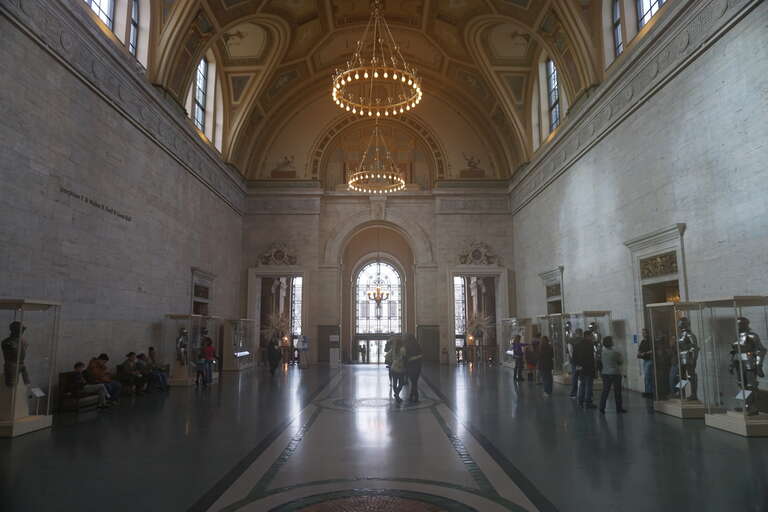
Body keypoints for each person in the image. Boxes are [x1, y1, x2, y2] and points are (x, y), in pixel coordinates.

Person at [599, 337, 627, 413]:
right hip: (615, 373)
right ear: (610, 343)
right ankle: (619, 408)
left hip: (605, 373)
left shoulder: (602, 353)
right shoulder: (615, 352)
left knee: (605, 391)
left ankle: (602, 407)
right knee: (617, 391)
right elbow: (620, 362)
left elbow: (600, 363)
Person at [573, 331, 597, 409]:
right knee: (589, 386)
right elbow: (591, 358)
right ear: (588, 336)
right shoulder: (590, 345)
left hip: (581, 368)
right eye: (591, 336)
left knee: (582, 385)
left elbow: (574, 357)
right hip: (588, 368)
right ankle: (588, 402)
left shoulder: (577, 345)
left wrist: (578, 366)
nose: (592, 337)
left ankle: (580, 401)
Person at [2, 321, 29, 387]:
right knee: (11, 387)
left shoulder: (23, 341)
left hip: (21, 365)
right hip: (12, 367)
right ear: (14, 330)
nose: (22, 331)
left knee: (26, 384)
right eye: (21, 330)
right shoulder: (7, 342)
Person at [404, 334, 423, 403]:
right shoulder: (417, 345)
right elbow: (421, 355)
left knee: (413, 382)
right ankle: (413, 396)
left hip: (410, 367)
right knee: (414, 382)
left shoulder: (406, 346)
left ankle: (413, 397)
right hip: (417, 367)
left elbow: (406, 358)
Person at [389, 336, 407, 403]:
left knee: (395, 383)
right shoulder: (403, 349)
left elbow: (392, 357)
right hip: (400, 368)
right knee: (401, 383)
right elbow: (404, 358)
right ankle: (397, 394)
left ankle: (396, 395)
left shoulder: (394, 349)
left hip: (393, 367)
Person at [637, 328, 654, 398]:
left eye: (645, 333)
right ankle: (647, 391)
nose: (643, 334)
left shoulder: (650, 341)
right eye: (642, 333)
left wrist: (645, 353)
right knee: (646, 377)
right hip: (645, 360)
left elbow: (652, 350)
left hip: (649, 360)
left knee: (648, 376)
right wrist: (640, 354)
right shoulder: (643, 342)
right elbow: (639, 350)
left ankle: (650, 391)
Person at [568, 328, 584, 398]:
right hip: (582, 362)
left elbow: (570, 352)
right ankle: (582, 392)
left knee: (575, 377)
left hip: (575, 362)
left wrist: (573, 359)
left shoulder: (571, 341)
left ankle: (573, 393)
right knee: (582, 376)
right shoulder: (583, 340)